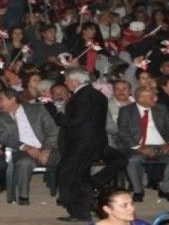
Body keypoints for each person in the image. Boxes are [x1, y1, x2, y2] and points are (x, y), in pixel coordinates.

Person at [55, 67, 108, 222]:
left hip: (81, 144)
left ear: (74, 81)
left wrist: (59, 115)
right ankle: (85, 211)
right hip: (93, 143)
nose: (65, 83)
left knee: (65, 175)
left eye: (66, 81)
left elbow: (74, 121)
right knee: (80, 177)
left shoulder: (81, 97)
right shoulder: (98, 94)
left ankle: (76, 210)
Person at [116, 86, 169, 203]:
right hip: (136, 146)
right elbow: (123, 132)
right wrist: (139, 147)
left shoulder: (161, 109)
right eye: (152, 97)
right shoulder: (126, 111)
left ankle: (166, 190)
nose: (156, 99)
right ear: (140, 98)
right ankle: (138, 191)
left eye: (155, 96)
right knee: (133, 160)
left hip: (161, 146)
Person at [0, 88, 59, 205]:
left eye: (0, 100)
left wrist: (46, 149)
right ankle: (23, 196)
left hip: (46, 146)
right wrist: (26, 147)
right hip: (22, 150)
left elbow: (53, 130)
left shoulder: (37, 109)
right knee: (25, 162)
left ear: (12, 99)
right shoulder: (0, 117)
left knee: (68, 159)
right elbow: (5, 138)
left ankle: (66, 196)